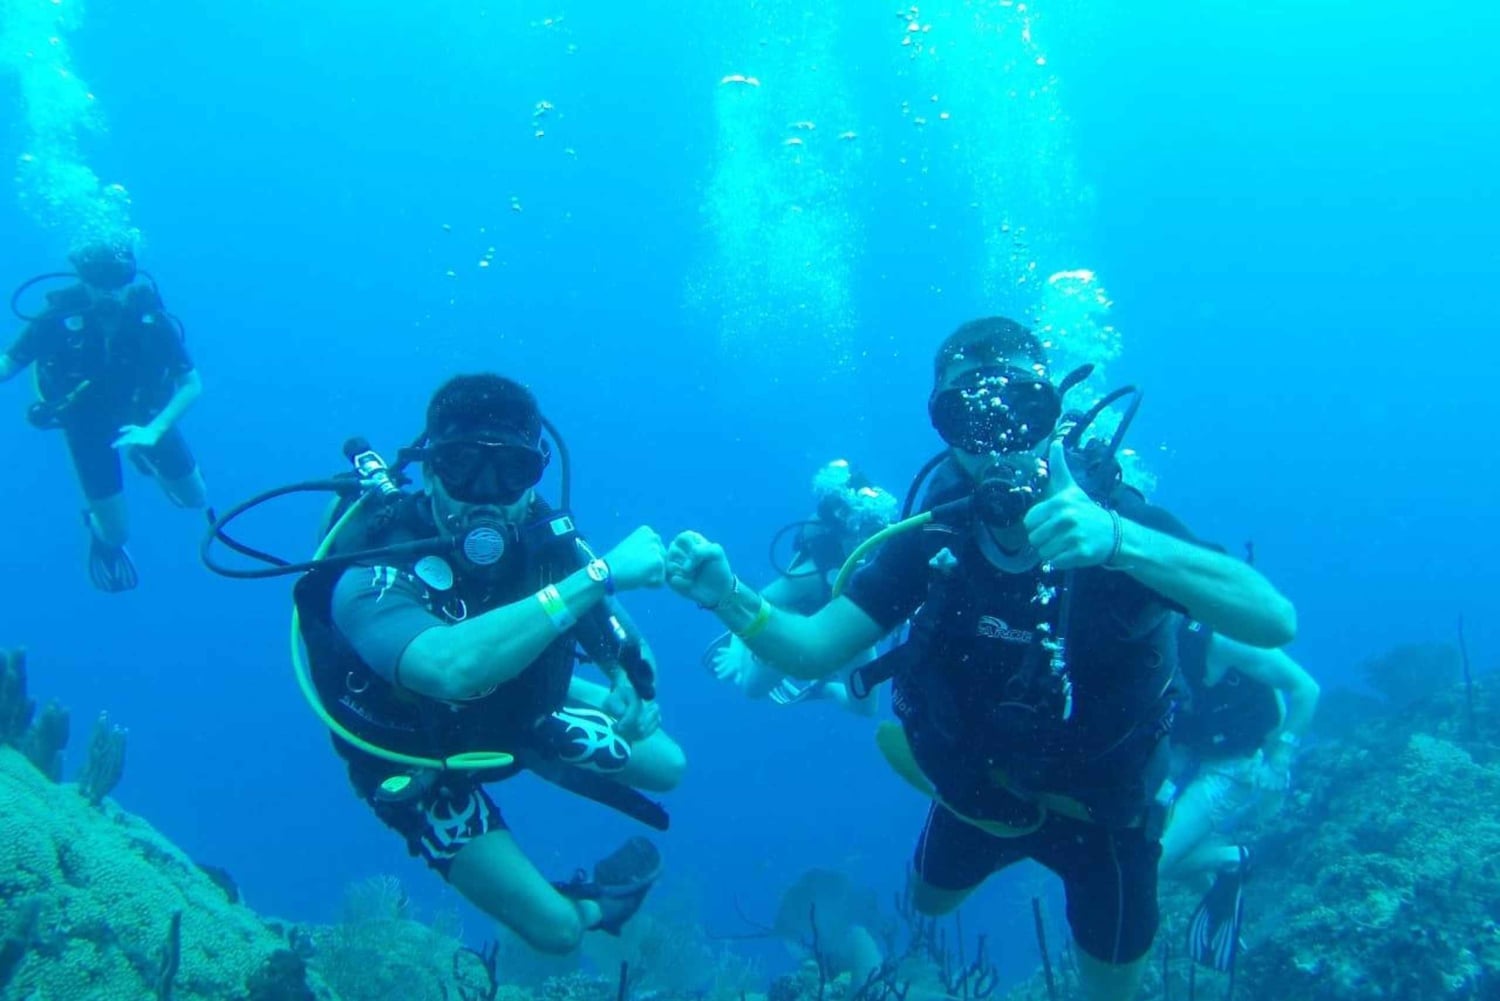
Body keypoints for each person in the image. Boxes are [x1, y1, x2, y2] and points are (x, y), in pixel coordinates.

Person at [664, 317, 1297, 1001]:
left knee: (1109, 986)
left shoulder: (1117, 519)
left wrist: (1119, 540)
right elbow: (814, 648)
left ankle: (1212, 864)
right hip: (979, 794)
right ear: (944, 431)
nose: (995, 438)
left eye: (1020, 406)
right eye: (963, 413)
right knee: (928, 900)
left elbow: (1272, 618)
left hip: (1106, 814)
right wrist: (725, 595)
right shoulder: (936, 533)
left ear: (1052, 411)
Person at [295, 374, 685, 954]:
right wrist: (598, 575)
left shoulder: (550, 541)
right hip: (418, 754)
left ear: (535, 480)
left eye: (511, 472)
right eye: (461, 466)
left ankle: (555, 709)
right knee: (558, 931)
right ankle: (592, 902)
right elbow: (446, 667)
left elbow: (621, 636)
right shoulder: (374, 561)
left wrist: (631, 679)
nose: (485, 493)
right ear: (428, 470)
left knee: (668, 765)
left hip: (512, 711)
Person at [0, 242, 206, 592]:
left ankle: (143, 454)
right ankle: (99, 533)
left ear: (131, 278)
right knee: (116, 532)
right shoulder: (54, 320)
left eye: (119, 281)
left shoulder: (152, 321)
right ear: (83, 279)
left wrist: (155, 430)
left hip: (147, 420)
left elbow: (191, 383)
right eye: (99, 281)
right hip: (86, 426)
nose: (110, 291)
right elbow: (8, 364)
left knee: (195, 499)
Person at [1161, 616, 1320, 975]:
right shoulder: (1134, 636)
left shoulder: (1218, 639)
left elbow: (1307, 690)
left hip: (1237, 765)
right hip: (1181, 757)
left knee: (1146, 863)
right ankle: (1218, 894)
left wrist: (1280, 761)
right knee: (1142, 847)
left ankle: (1232, 859)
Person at [704, 459, 898, 714]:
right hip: (799, 629)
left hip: (850, 624)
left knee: (864, 708)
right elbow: (751, 601)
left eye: (871, 534)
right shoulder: (811, 576)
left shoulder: (879, 558)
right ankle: (758, 653)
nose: (866, 545)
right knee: (752, 687)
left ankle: (823, 687)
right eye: (860, 534)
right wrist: (735, 649)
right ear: (842, 534)